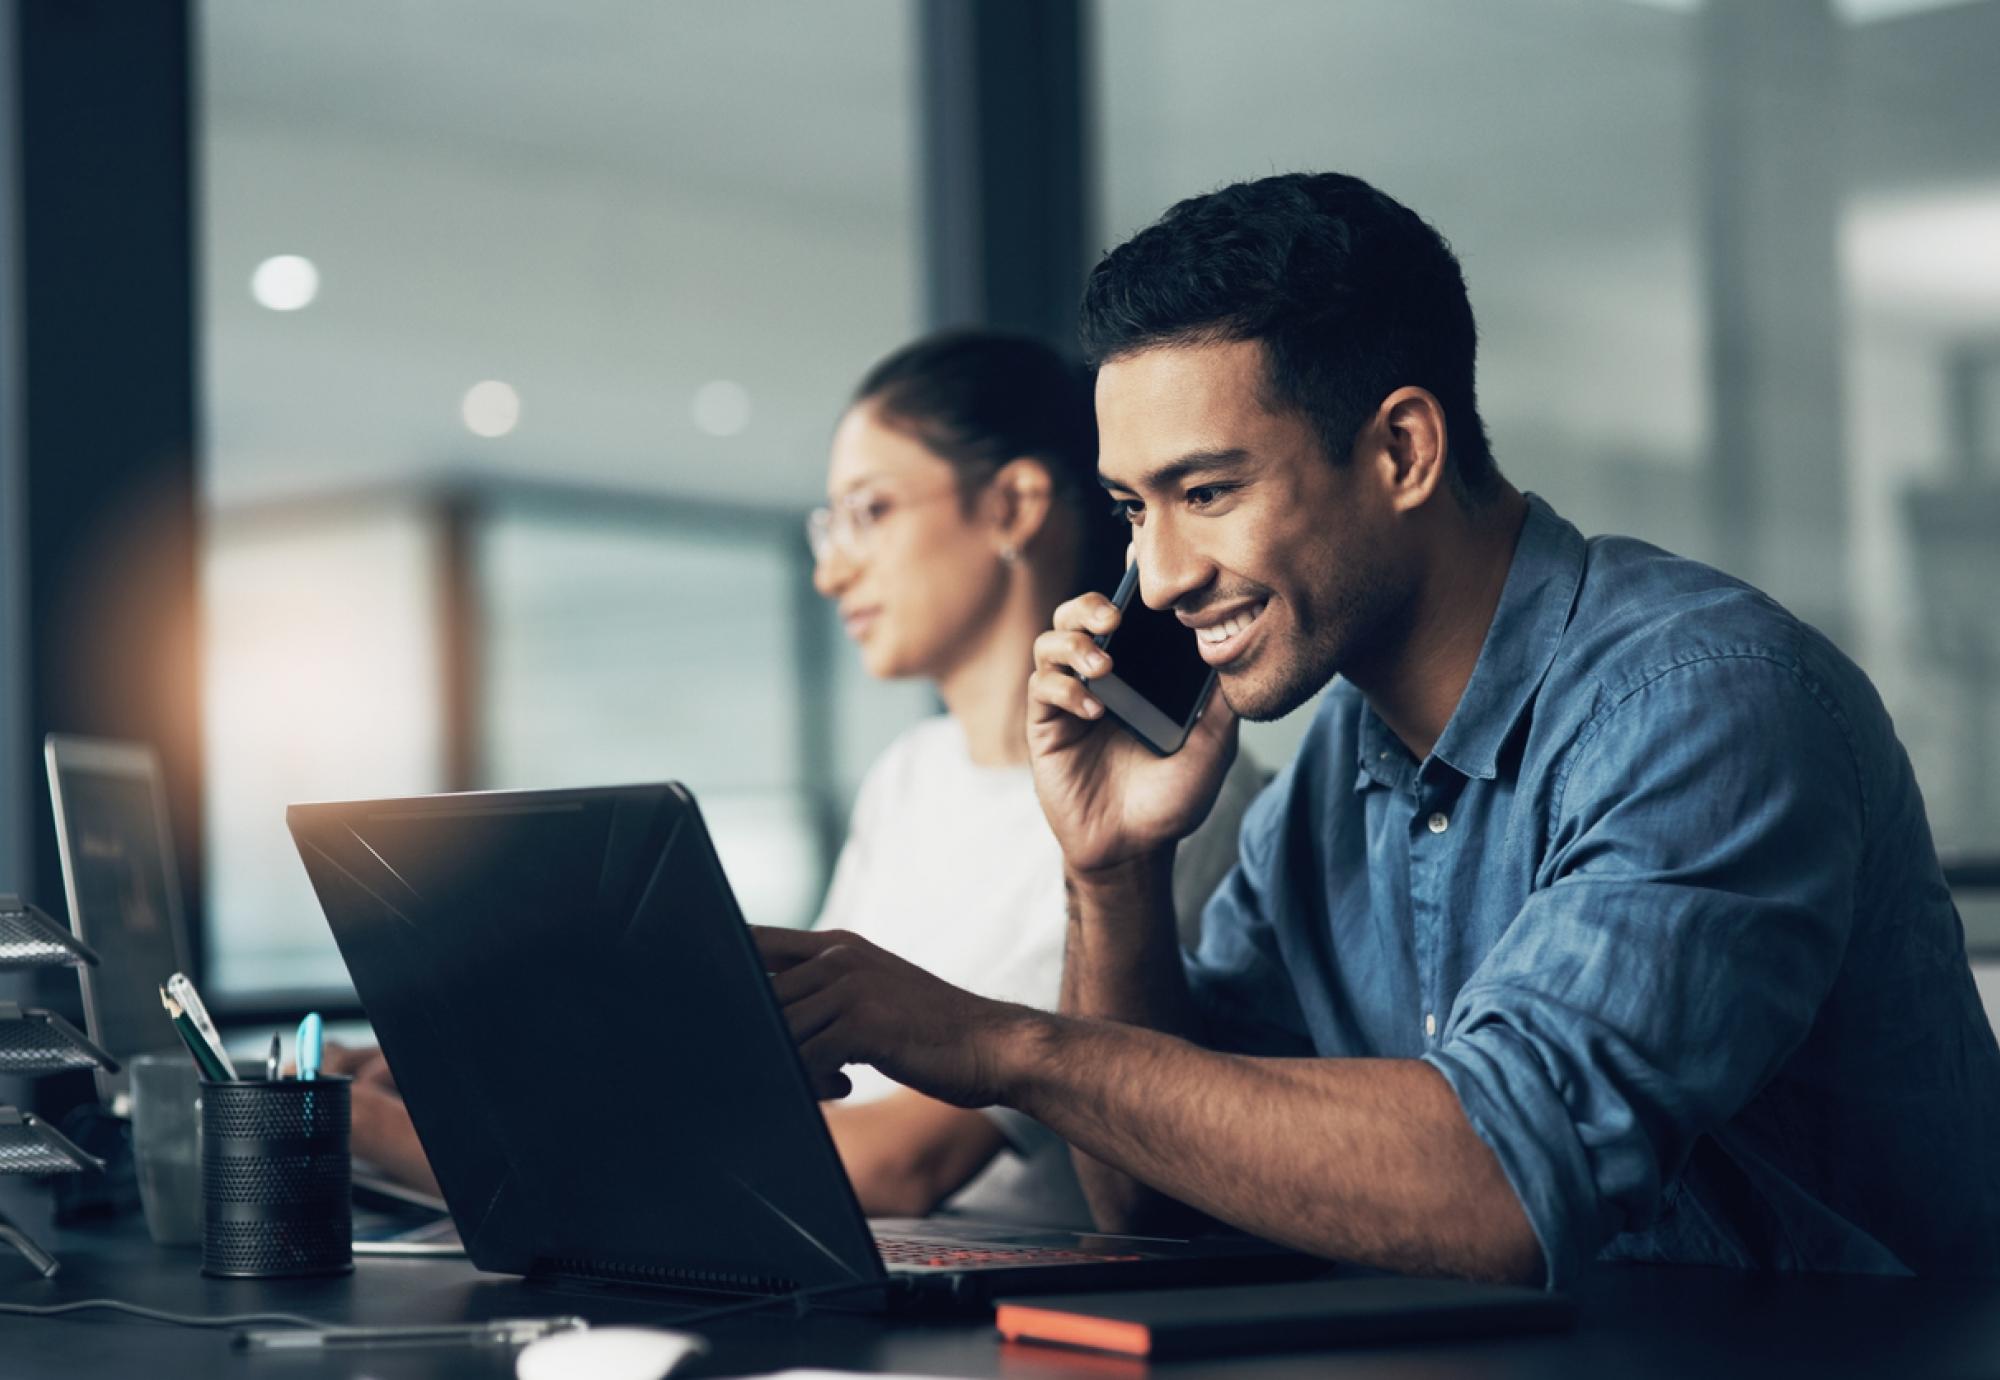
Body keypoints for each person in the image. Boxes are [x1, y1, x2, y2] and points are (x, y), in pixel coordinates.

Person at [754, 172, 2000, 1287]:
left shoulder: (1704, 705)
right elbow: (1154, 1195)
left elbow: (1498, 1187)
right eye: (1133, 509)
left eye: (1207, 492)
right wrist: (1110, 869)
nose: (1162, 573)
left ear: (1401, 449)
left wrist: (992, 1042)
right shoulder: (1333, 773)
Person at [327, 330, 1259, 1223]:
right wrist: (487, 1080)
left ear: (1013, 505)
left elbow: (901, 1161)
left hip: (1009, 1300)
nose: (832, 571)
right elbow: (779, 1082)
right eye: (829, 525)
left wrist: (435, 1144)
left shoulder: (1159, 795)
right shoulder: (911, 775)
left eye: (871, 511)